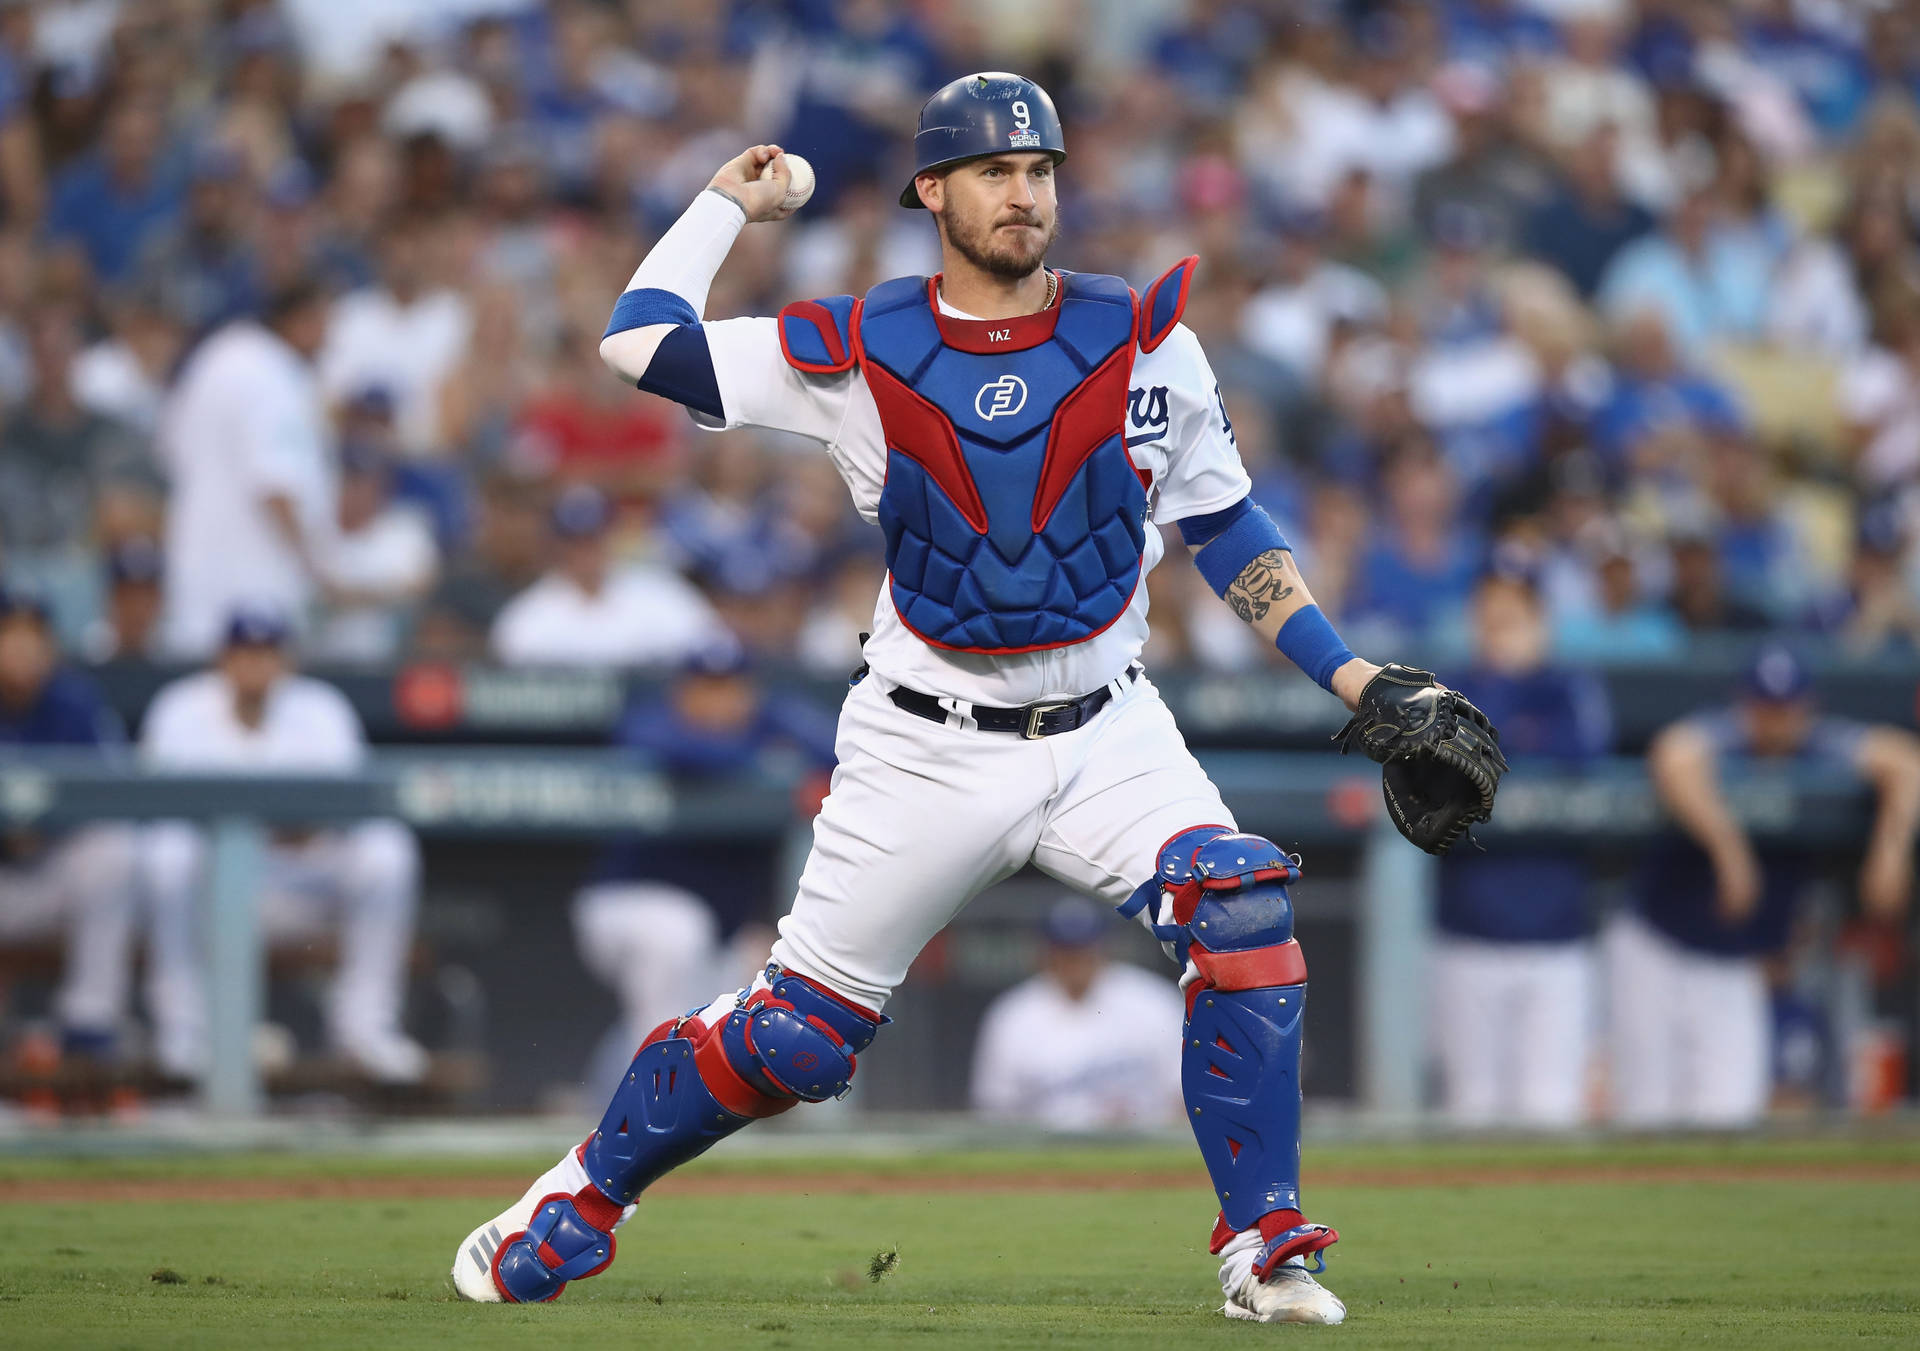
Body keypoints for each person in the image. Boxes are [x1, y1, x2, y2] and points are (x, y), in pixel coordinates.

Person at [452, 73, 1502, 1325]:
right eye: (997, 170)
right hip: (925, 739)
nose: (1024, 192)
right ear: (934, 192)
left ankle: (1265, 1242)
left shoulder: (1144, 335)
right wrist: (726, 206)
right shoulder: (856, 347)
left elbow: (1223, 525)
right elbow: (639, 343)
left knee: (1241, 912)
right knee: (797, 1043)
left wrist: (1356, 675)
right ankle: (580, 1194)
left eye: (1042, 170)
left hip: (1109, 721)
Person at [1609, 645, 1920, 1128]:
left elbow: (1905, 760)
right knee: (1646, 1112)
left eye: (1787, 709)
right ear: (1744, 704)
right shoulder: (1725, 736)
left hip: (1736, 965)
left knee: (1730, 1116)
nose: (1776, 721)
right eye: (1764, 708)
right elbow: (1672, 755)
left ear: (1807, 707)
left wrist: (1891, 849)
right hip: (1658, 949)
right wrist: (1730, 851)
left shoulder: (1822, 744)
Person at [138, 608, 427, 1084]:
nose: (256, 665)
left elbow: (341, 813)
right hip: (210, 894)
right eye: (245, 653)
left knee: (386, 849)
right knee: (167, 852)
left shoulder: (321, 708)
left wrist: (272, 825)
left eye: (267, 653)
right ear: (223, 658)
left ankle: (365, 1029)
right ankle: (182, 1032)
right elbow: (154, 811)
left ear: (285, 660)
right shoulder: (180, 708)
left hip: (298, 885)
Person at [573, 633, 838, 1091]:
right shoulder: (655, 724)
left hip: (722, 926)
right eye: (706, 686)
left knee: (717, 1008)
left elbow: (835, 748)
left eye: (731, 686)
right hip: (629, 903)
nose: (719, 700)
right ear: (683, 690)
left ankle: (599, 1099)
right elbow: (677, 748)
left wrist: (770, 736)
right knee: (677, 936)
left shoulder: (770, 722)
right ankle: (654, 1096)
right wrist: (764, 759)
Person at [1431, 571, 1610, 1128]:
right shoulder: (1445, 690)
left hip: (1557, 941)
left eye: (1515, 615)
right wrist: (1505, 698)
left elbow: (1582, 756)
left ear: (1540, 622)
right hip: (1467, 938)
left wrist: (1509, 699)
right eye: (1491, 614)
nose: (1501, 629)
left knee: (1551, 1111)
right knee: (1471, 1112)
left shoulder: (1568, 688)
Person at [156, 281, 336, 658]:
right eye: (324, 323)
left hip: (196, 567)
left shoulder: (218, 355)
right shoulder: (273, 373)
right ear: (300, 320)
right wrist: (316, 569)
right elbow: (276, 487)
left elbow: (170, 451)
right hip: (256, 580)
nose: (328, 339)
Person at [0, 591, 138, 1056]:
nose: (20, 650)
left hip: (52, 876)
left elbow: (114, 795)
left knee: (110, 852)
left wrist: (47, 825)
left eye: (32, 638)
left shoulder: (76, 702)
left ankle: (90, 1021)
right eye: (9, 636)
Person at [970, 896, 1186, 1130]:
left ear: (1102, 947)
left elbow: (1184, 1094)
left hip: (1145, 1150)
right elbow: (995, 1110)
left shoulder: (1152, 1000)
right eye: (1066, 950)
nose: (1076, 960)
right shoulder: (1013, 1015)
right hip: (1049, 1156)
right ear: (1047, 952)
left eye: (1084, 949)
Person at [489, 483, 722, 668]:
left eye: (594, 537)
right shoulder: (528, 616)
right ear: (557, 545)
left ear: (611, 536)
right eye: (576, 541)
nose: (586, 550)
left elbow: (714, 649)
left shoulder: (661, 593)